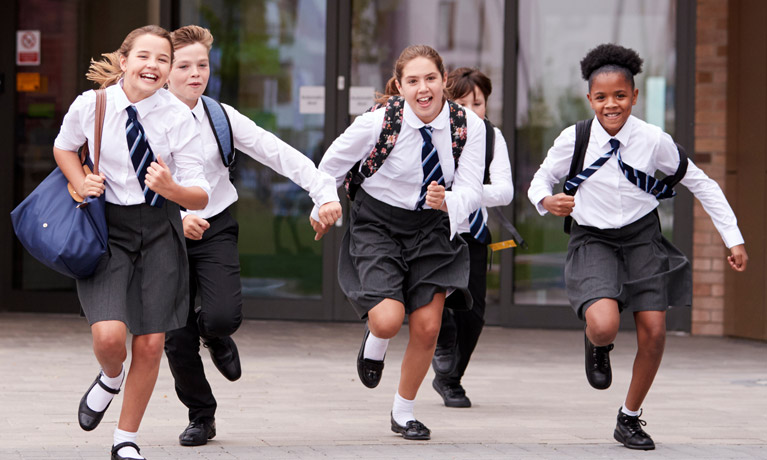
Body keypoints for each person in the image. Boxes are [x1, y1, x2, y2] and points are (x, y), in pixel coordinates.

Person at [527, 43, 748, 450]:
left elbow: (701, 183)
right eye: (601, 97)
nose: (611, 105)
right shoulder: (573, 138)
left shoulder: (652, 140)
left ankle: (628, 418)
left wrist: (732, 238)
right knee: (605, 323)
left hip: (642, 238)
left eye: (620, 96)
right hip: (592, 238)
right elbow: (539, 181)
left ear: (634, 96)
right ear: (589, 98)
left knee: (655, 332)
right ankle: (597, 341)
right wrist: (546, 200)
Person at [162, 25, 342, 447]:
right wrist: (175, 216)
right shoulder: (144, 118)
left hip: (215, 225)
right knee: (174, 333)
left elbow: (276, 151)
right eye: (183, 66)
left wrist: (323, 192)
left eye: (202, 65)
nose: (194, 74)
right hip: (164, 232)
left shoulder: (220, 116)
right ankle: (201, 416)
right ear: (166, 71)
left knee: (223, 315)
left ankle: (216, 334)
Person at [311, 45, 486, 440]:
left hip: (433, 226)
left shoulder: (468, 127)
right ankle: (376, 340)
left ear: (444, 80)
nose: (423, 89)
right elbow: (329, 167)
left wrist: (450, 202)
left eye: (430, 79)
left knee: (427, 326)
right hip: (378, 223)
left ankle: (403, 411)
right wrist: (322, 205)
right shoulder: (378, 122)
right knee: (388, 319)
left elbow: (472, 190)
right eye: (413, 81)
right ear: (399, 85)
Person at [53, 25, 211, 460]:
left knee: (151, 342)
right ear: (124, 61)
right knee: (109, 338)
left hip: (160, 228)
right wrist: (79, 180)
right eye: (144, 56)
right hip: (108, 229)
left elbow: (200, 192)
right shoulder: (93, 104)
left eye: (163, 59)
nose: (153, 66)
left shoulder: (179, 116)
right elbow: (64, 147)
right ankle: (109, 376)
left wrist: (172, 189)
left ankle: (126, 438)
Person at [431, 67, 513, 408]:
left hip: (473, 236)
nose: (470, 111)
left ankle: (450, 379)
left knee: (474, 315)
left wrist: (462, 194)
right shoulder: (432, 135)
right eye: (461, 103)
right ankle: (443, 361)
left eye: (477, 103)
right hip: (433, 234)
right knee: (435, 306)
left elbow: (505, 191)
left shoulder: (492, 138)